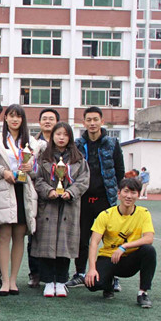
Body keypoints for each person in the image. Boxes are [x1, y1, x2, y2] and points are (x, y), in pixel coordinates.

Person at [65, 107, 125, 291]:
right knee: (81, 238)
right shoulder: (76, 145)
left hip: (105, 199)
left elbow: (119, 170)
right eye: (89, 120)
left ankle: (113, 275)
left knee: (110, 238)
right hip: (82, 199)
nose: (92, 123)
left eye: (95, 119)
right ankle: (80, 273)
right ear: (83, 122)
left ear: (102, 121)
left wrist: (117, 191)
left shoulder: (112, 143)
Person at [0, 104, 45, 295]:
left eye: (18, 116)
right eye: (11, 116)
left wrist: (31, 169)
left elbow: (39, 171)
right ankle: (4, 280)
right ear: (5, 118)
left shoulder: (33, 143)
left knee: (19, 236)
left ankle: (14, 280)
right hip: (3, 190)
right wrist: (3, 172)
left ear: (23, 119)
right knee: (4, 236)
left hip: (24, 192)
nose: (14, 119)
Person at [32, 122, 89, 298]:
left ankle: (62, 281)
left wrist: (71, 192)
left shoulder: (78, 159)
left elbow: (84, 180)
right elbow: (37, 179)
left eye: (65, 134)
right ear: (53, 136)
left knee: (65, 244)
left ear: (70, 137)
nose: (61, 138)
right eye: (58, 134)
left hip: (69, 206)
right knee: (47, 245)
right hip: (48, 206)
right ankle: (48, 281)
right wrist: (48, 191)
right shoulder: (44, 157)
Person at [85, 177, 156, 308]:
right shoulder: (106, 215)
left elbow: (149, 239)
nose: (129, 196)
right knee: (92, 284)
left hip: (130, 260)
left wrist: (124, 246)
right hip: (109, 258)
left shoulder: (144, 213)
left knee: (149, 250)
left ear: (138, 195)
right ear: (119, 193)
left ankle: (143, 293)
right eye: (126, 191)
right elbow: (94, 243)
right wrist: (92, 269)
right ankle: (109, 284)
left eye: (133, 192)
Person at [27, 107, 61, 289]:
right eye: (44, 119)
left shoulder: (62, 144)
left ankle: (56, 275)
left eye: (51, 119)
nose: (48, 121)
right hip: (36, 193)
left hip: (58, 195)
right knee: (35, 234)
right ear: (39, 122)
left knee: (56, 234)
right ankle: (35, 273)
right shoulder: (32, 144)